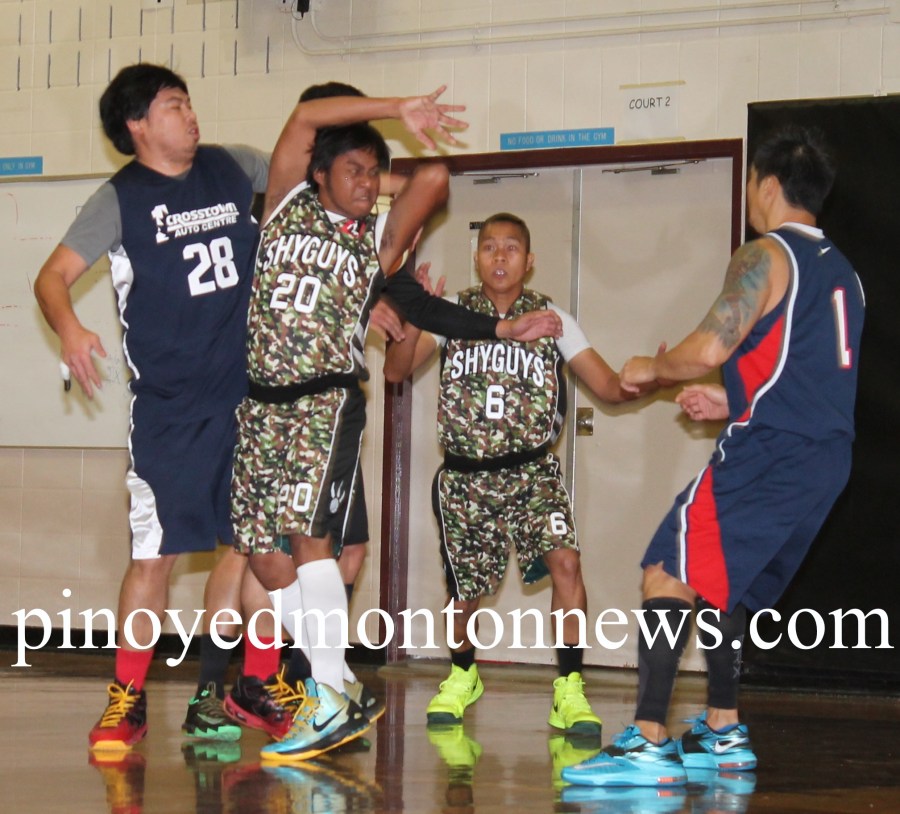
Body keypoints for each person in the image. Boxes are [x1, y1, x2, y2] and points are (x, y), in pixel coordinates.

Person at [230, 87, 563, 763]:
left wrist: (500, 329)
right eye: (352, 171)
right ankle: (339, 681)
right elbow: (304, 117)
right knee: (264, 559)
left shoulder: (376, 251)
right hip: (261, 407)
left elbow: (433, 183)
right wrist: (384, 109)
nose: (365, 185)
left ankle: (325, 692)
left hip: (324, 403)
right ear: (318, 173)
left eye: (374, 175)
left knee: (310, 542)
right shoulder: (286, 206)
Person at [562, 125, 864, 788]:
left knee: (667, 569)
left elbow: (709, 346)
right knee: (726, 586)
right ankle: (723, 728)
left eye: (752, 183)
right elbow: (806, 379)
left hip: (769, 453)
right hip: (825, 461)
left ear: (767, 185)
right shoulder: (844, 273)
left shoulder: (767, 253)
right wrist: (729, 401)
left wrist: (652, 368)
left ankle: (646, 741)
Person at [33, 63, 278, 750]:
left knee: (264, 550)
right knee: (154, 558)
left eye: (189, 102)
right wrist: (70, 328)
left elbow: (307, 176)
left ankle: (256, 686)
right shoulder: (120, 200)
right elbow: (51, 277)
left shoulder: (234, 166)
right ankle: (128, 698)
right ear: (137, 124)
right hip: (170, 415)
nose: (191, 115)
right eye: (174, 105)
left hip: (250, 401)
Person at [383, 212, 643, 734]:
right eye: (489, 247)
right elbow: (395, 370)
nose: (499, 256)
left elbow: (609, 387)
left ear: (530, 260)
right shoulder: (450, 311)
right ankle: (462, 674)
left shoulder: (553, 319)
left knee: (566, 562)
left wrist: (652, 377)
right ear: (476, 257)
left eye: (511, 248)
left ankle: (570, 687)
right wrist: (414, 315)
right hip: (466, 478)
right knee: (465, 589)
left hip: (532, 474)